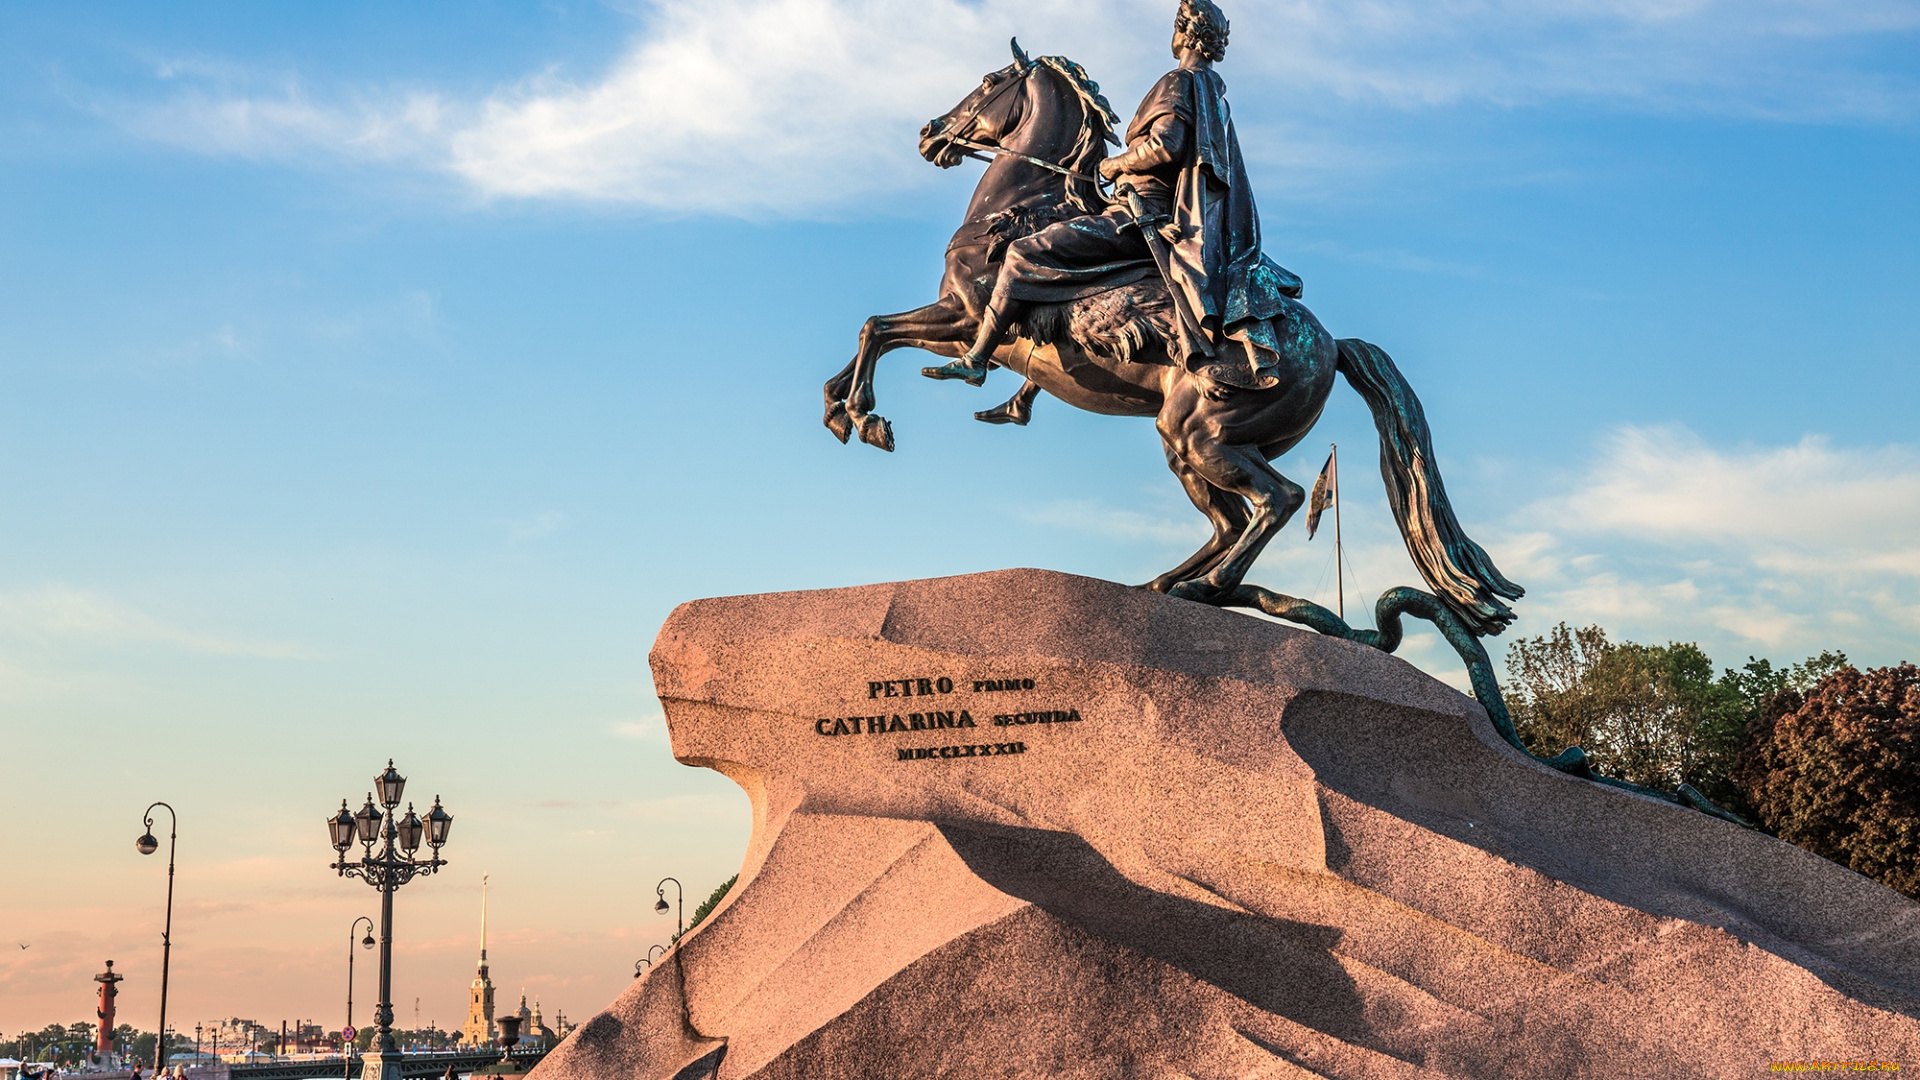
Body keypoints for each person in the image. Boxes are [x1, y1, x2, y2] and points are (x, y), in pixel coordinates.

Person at [923, 0, 1300, 393]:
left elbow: (1165, 146)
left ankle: (978, 358)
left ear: (1184, 32)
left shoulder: (1180, 81)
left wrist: (1115, 165)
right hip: (1169, 214)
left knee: (1022, 255)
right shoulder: (1216, 99)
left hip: (1141, 215)